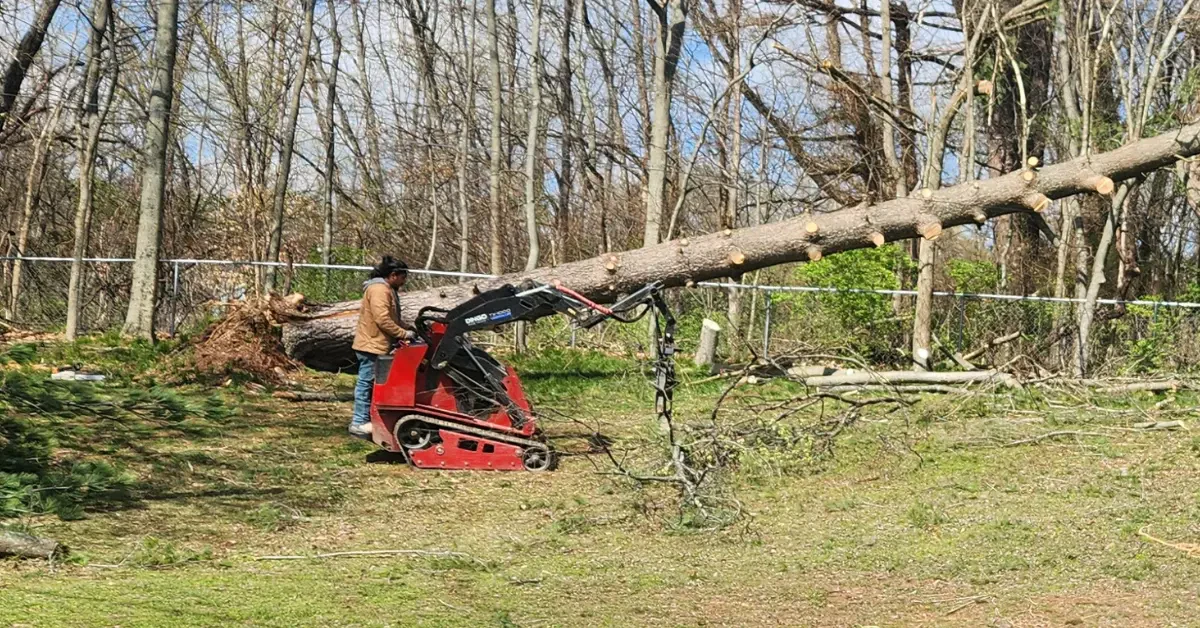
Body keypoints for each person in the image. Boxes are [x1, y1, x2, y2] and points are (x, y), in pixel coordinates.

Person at [349, 256, 418, 438]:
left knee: (373, 382)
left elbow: (391, 318)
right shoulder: (379, 289)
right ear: (393, 275)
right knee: (367, 382)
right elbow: (382, 319)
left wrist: (408, 327)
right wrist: (404, 334)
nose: (404, 282)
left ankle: (368, 419)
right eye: (403, 278)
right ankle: (359, 422)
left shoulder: (385, 289)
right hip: (371, 344)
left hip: (376, 343)